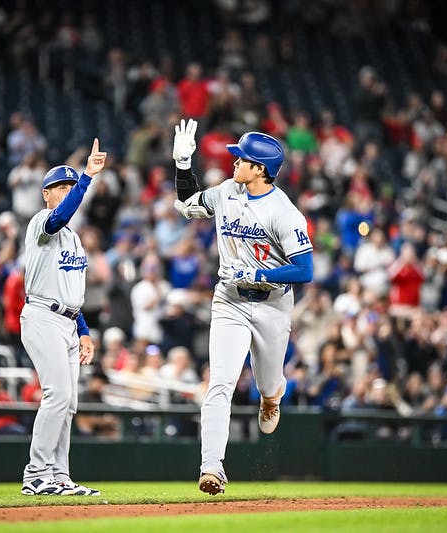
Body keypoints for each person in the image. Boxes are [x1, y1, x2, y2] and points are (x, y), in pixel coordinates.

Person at [171, 119, 313, 495]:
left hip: (272, 305)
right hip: (229, 301)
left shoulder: (284, 212)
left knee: (267, 382)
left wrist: (258, 270)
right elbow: (188, 205)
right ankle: (211, 468)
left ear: (260, 169)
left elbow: (306, 269)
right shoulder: (226, 192)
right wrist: (183, 167)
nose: (234, 163)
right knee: (220, 383)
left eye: (242, 159)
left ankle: (272, 396)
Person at [19, 139, 106, 496]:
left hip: (68, 322)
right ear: (46, 194)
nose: (68, 191)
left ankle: (58, 475)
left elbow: (72, 295)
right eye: (61, 187)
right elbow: (61, 215)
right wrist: (86, 178)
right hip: (41, 316)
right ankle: (35, 474)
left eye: (71, 187)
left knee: (69, 403)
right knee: (57, 395)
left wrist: (84, 331)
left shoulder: (75, 240)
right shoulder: (43, 223)